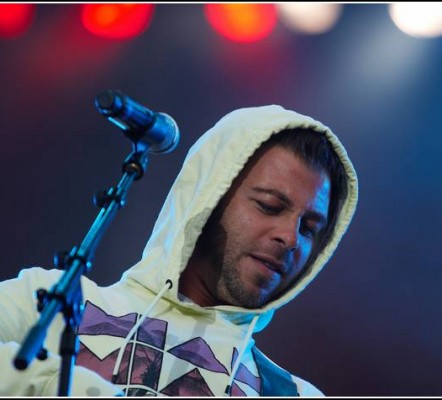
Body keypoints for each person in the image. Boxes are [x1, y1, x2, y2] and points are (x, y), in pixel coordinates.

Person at [0, 104, 358, 396]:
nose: (290, 237)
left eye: (310, 228)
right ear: (209, 198)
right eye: (269, 205)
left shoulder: (293, 394)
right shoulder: (50, 301)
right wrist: (67, 386)